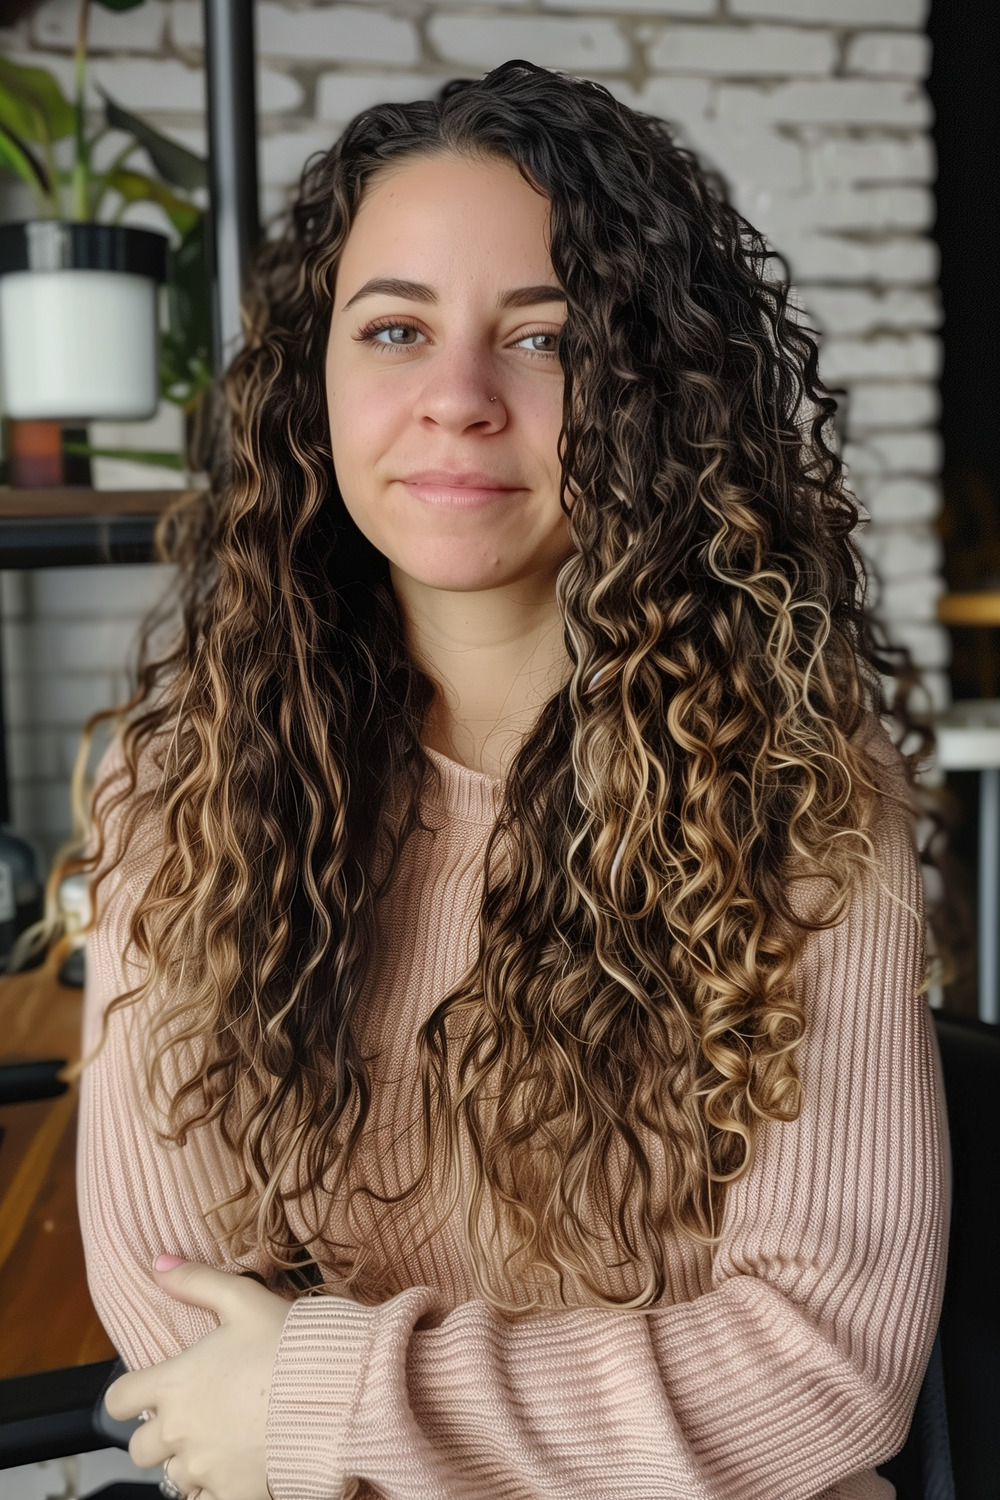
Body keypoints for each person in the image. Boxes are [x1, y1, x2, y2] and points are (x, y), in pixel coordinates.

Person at [70, 59, 948, 1500]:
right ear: (317, 384)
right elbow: (189, 1340)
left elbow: (822, 1372)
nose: (459, 399)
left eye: (543, 341)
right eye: (397, 328)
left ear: (651, 395)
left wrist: (328, 1393)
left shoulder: (801, 801)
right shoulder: (183, 793)